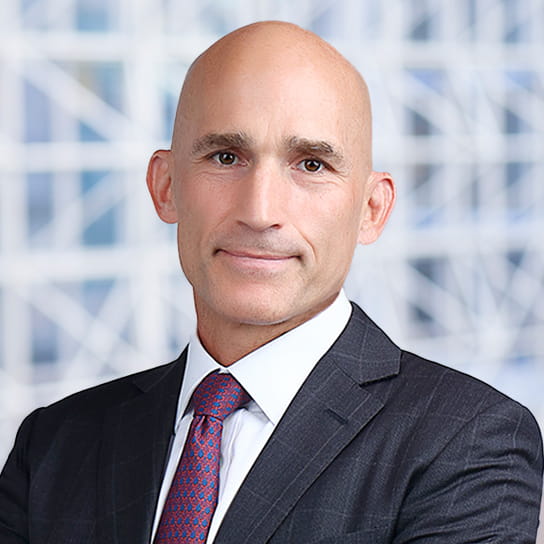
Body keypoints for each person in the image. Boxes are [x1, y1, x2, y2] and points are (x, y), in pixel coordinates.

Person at [0, 21, 542, 544]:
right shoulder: (53, 443)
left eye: (311, 165)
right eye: (226, 157)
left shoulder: (468, 441)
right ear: (165, 187)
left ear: (371, 210)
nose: (260, 212)